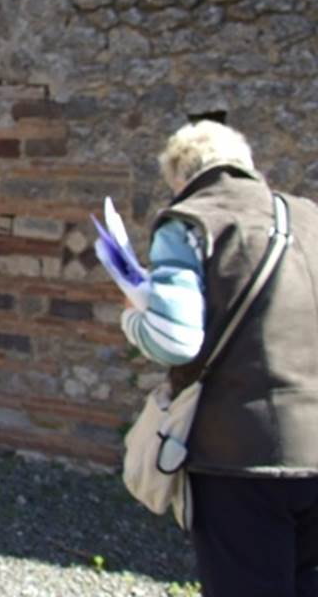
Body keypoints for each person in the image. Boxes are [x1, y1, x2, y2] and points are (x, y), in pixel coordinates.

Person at [121, 120, 318, 597]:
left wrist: (132, 317)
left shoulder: (191, 221)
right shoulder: (310, 218)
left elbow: (174, 340)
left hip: (238, 454)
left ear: (179, 175)